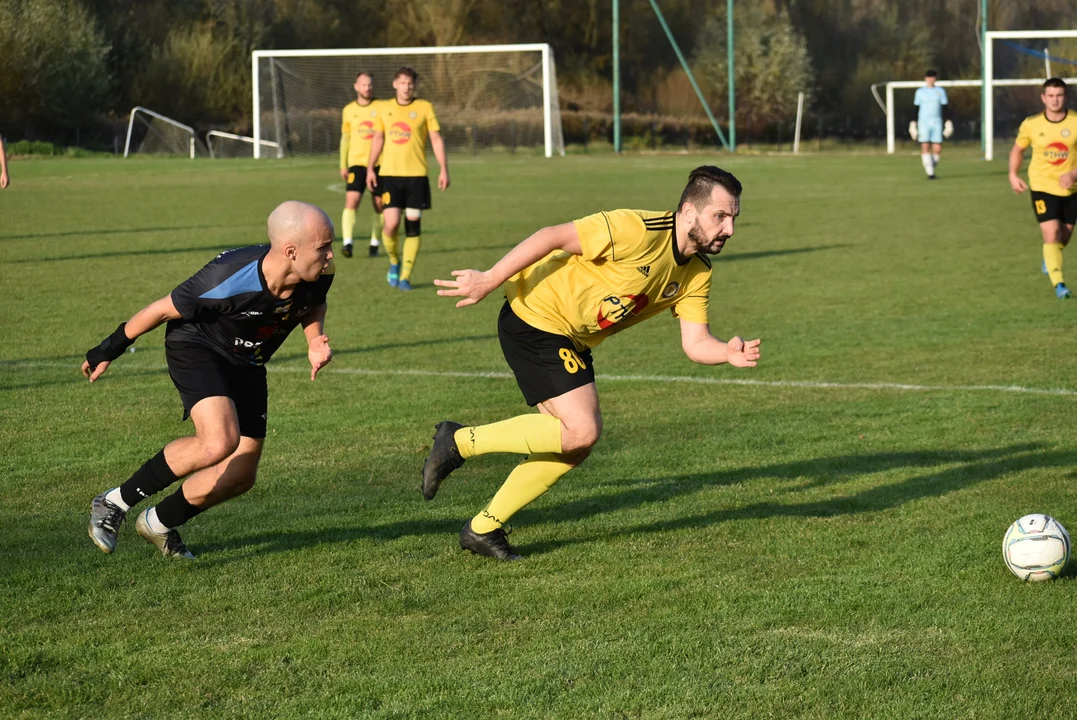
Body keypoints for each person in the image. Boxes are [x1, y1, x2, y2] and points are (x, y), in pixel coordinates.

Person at [422, 166, 761, 561]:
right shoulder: (637, 229)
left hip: (572, 337)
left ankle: (483, 528)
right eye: (720, 216)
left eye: (733, 218)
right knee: (582, 429)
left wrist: (725, 351)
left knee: (573, 446)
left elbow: (696, 342)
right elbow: (552, 236)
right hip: (535, 316)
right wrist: (491, 278)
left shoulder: (697, 273)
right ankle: (459, 442)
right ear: (689, 211)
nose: (729, 229)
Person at [85, 201, 336, 559]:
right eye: (323, 247)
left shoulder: (320, 272)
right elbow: (161, 309)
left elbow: (313, 304)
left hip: (247, 361)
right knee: (218, 442)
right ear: (291, 251)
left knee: (241, 475)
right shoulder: (229, 277)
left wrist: (314, 341)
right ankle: (113, 502)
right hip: (197, 347)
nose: (330, 255)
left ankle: (158, 522)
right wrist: (108, 349)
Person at [366, 66, 450, 291]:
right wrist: (370, 168)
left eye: (410, 83)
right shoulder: (384, 108)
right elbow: (378, 139)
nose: (407, 87)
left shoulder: (424, 107)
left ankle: (405, 276)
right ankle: (394, 261)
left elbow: (436, 138)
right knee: (390, 225)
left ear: (415, 86)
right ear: (395, 84)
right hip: (390, 176)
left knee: (413, 227)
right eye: (403, 83)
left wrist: (443, 168)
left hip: (417, 177)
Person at [1009, 78, 1077, 300]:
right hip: (1042, 186)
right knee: (1052, 232)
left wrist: (1074, 174)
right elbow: (1018, 150)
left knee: (1063, 237)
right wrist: (1013, 175)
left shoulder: (1075, 122)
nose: (1055, 100)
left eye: (1059, 95)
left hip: (1071, 187)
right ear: (1043, 98)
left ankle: (1050, 256)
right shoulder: (1032, 124)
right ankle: (1059, 284)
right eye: (1050, 95)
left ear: (1065, 97)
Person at [339, 71, 384, 258]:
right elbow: (345, 138)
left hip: (380, 163)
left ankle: (375, 244)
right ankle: (347, 243)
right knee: (352, 200)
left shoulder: (382, 107)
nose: (368, 87)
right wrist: (343, 164)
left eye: (370, 84)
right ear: (356, 86)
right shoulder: (348, 110)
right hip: (356, 163)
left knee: (379, 205)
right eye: (364, 84)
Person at [911, 69, 950, 180]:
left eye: (932, 77)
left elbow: (945, 107)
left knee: (937, 148)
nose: (930, 79)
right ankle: (930, 173)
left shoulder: (940, 91)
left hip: (937, 121)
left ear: (935, 78)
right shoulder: (920, 92)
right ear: (925, 78)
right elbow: (916, 108)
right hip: (923, 122)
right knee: (925, 146)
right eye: (928, 77)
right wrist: (913, 123)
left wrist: (948, 122)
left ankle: (930, 166)